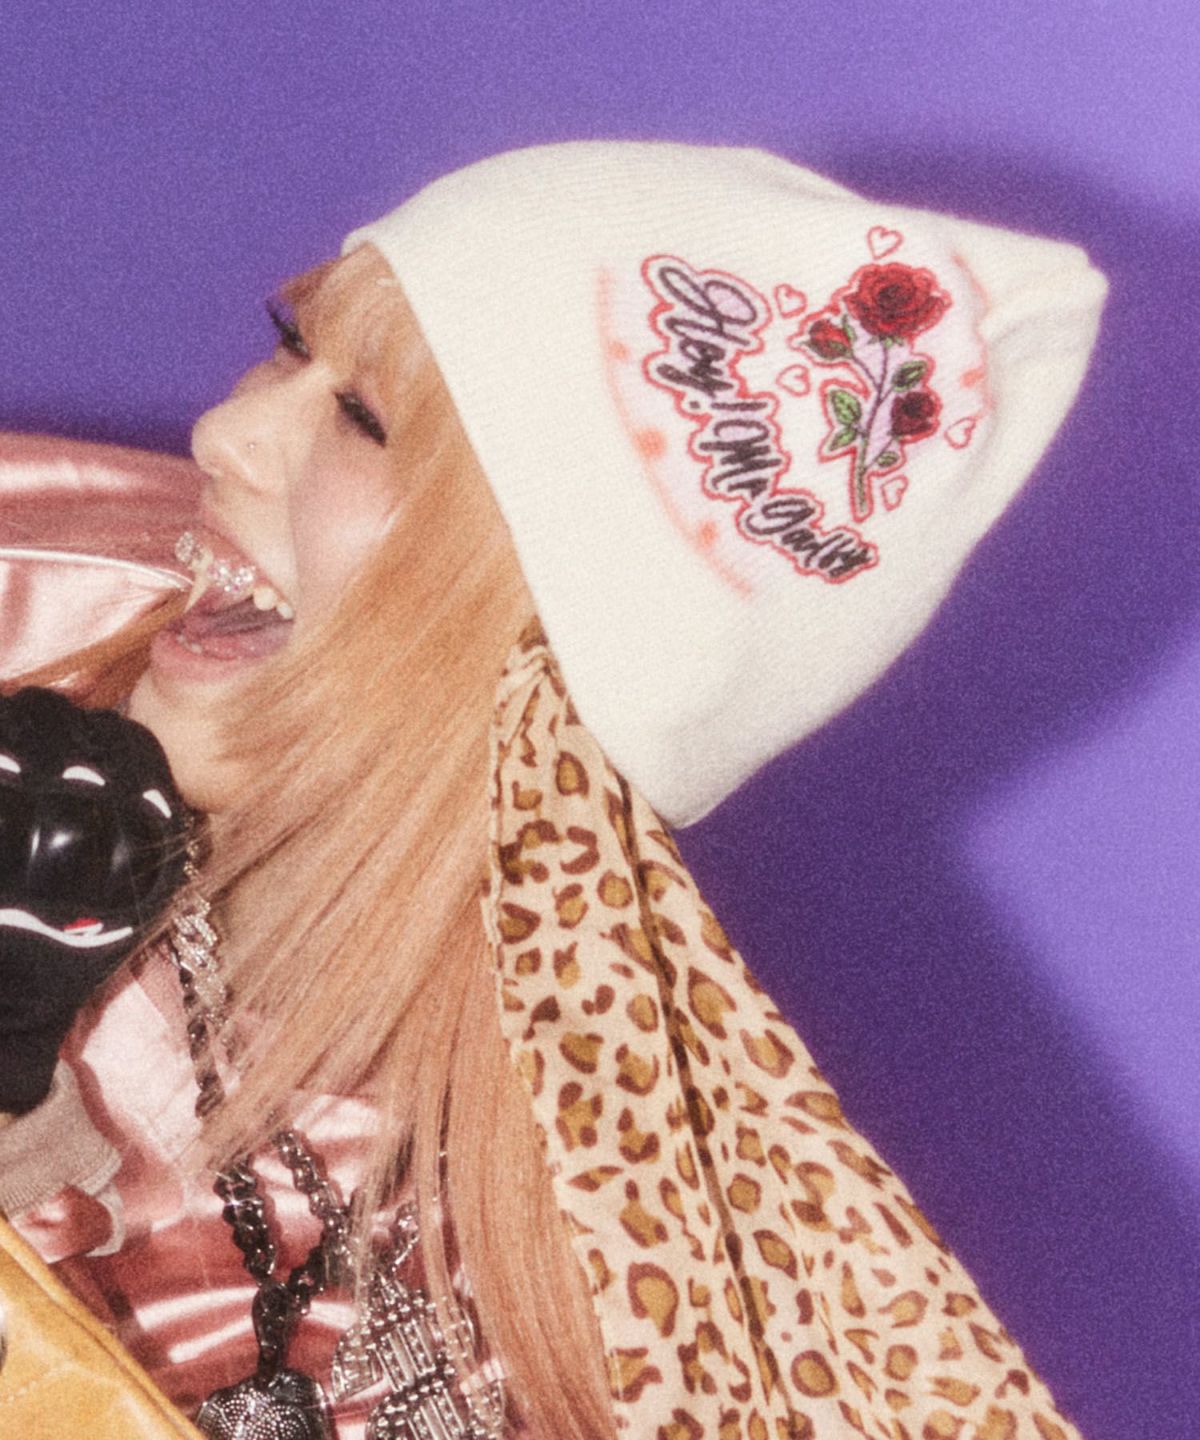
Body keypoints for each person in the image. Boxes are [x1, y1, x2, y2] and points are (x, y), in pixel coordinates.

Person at [0, 141, 1107, 1439]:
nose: (225, 433)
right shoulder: (34, 585)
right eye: (291, 344)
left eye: (363, 421)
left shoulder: (578, 1239)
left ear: (547, 641)